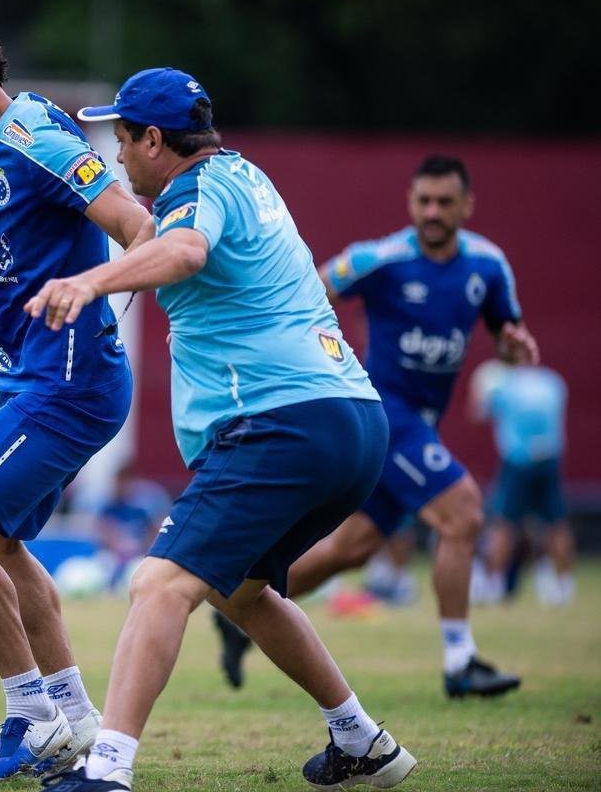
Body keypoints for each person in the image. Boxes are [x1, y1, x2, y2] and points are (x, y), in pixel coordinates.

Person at [28, 67, 415, 792]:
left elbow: (184, 252)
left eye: (123, 138)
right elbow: (182, 254)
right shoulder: (245, 176)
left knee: (158, 582)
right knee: (239, 593)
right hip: (353, 420)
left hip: (282, 422)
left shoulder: (194, 192)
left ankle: (107, 769)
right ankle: (361, 739)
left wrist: (86, 282)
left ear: (154, 139)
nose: (118, 154)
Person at [0, 11, 153, 786]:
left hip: (67, 388)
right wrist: (17, 314)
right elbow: (40, 245)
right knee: (0, 545)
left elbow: (137, 228)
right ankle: (75, 717)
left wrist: (89, 299)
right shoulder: (10, 132)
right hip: (40, 375)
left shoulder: (35, 140)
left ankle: (32, 716)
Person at [216, 155, 538, 699]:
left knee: (351, 549)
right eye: (423, 201)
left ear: (466, 205)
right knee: (463, 512)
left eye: (444, 202)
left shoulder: (488, 266)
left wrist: (513, 346)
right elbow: (304, 291)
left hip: (422, 424)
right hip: (385, 415)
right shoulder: (380, 259)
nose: (432, 212)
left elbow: (508, 334)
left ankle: (239, 608)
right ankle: (460, 662)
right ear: (410, 202)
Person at [469, 359, 573, 605]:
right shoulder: (553, 382)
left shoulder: (503, 384)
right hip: (549, 458)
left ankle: (494, 585)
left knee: (504, 524)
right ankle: (564, 586)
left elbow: (478, 412)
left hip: (517, 461)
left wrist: (481, 387)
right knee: (556, 523)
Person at [92, 463, 171, 592]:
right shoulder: (108, 507)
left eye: (125, 481)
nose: (121, 486)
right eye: (119, 481)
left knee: (138, 568)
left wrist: (141, 548)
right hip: (112, 556)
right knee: (104, 563)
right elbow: (103, 533)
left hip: (139, 555)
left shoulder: (142, 508)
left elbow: (153, 532)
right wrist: (118, 546)